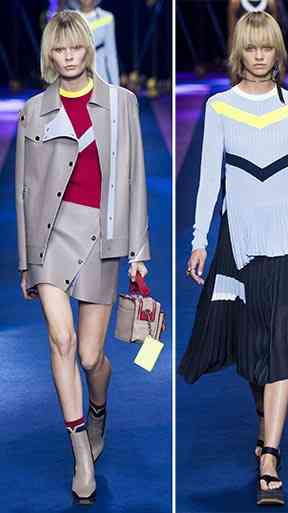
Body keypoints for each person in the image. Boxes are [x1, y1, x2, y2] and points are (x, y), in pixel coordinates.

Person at [178, 11, 288, 506]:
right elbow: (210, 177)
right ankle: (264, 416)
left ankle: (270, 454)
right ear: (239, 53)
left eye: (268, 47)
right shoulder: (220, 107)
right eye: (252, 47)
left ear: (278, 51)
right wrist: (199, 240)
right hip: (240, 239)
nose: (260, 55)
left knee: (283, 342)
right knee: (253, 350)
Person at [15, 11, 150, 504]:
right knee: (62, 340)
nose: (69, 57)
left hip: (101, 234)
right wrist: (26, 262)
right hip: (50, 236)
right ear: (49, 55)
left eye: (76, 48)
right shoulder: (34, 109)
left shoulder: (120, 103)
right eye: (60, 49)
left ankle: (97, 411)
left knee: (91, 357)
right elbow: (25, 189)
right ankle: (80, 455)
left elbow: (134, 176)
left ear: (88, 50)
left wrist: (138, 251)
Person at [65, 0, 120, 85]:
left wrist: (116, 85)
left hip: (101, 71)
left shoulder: (107, 17)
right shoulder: (71, 19)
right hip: (78, 73)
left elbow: (111, 53)